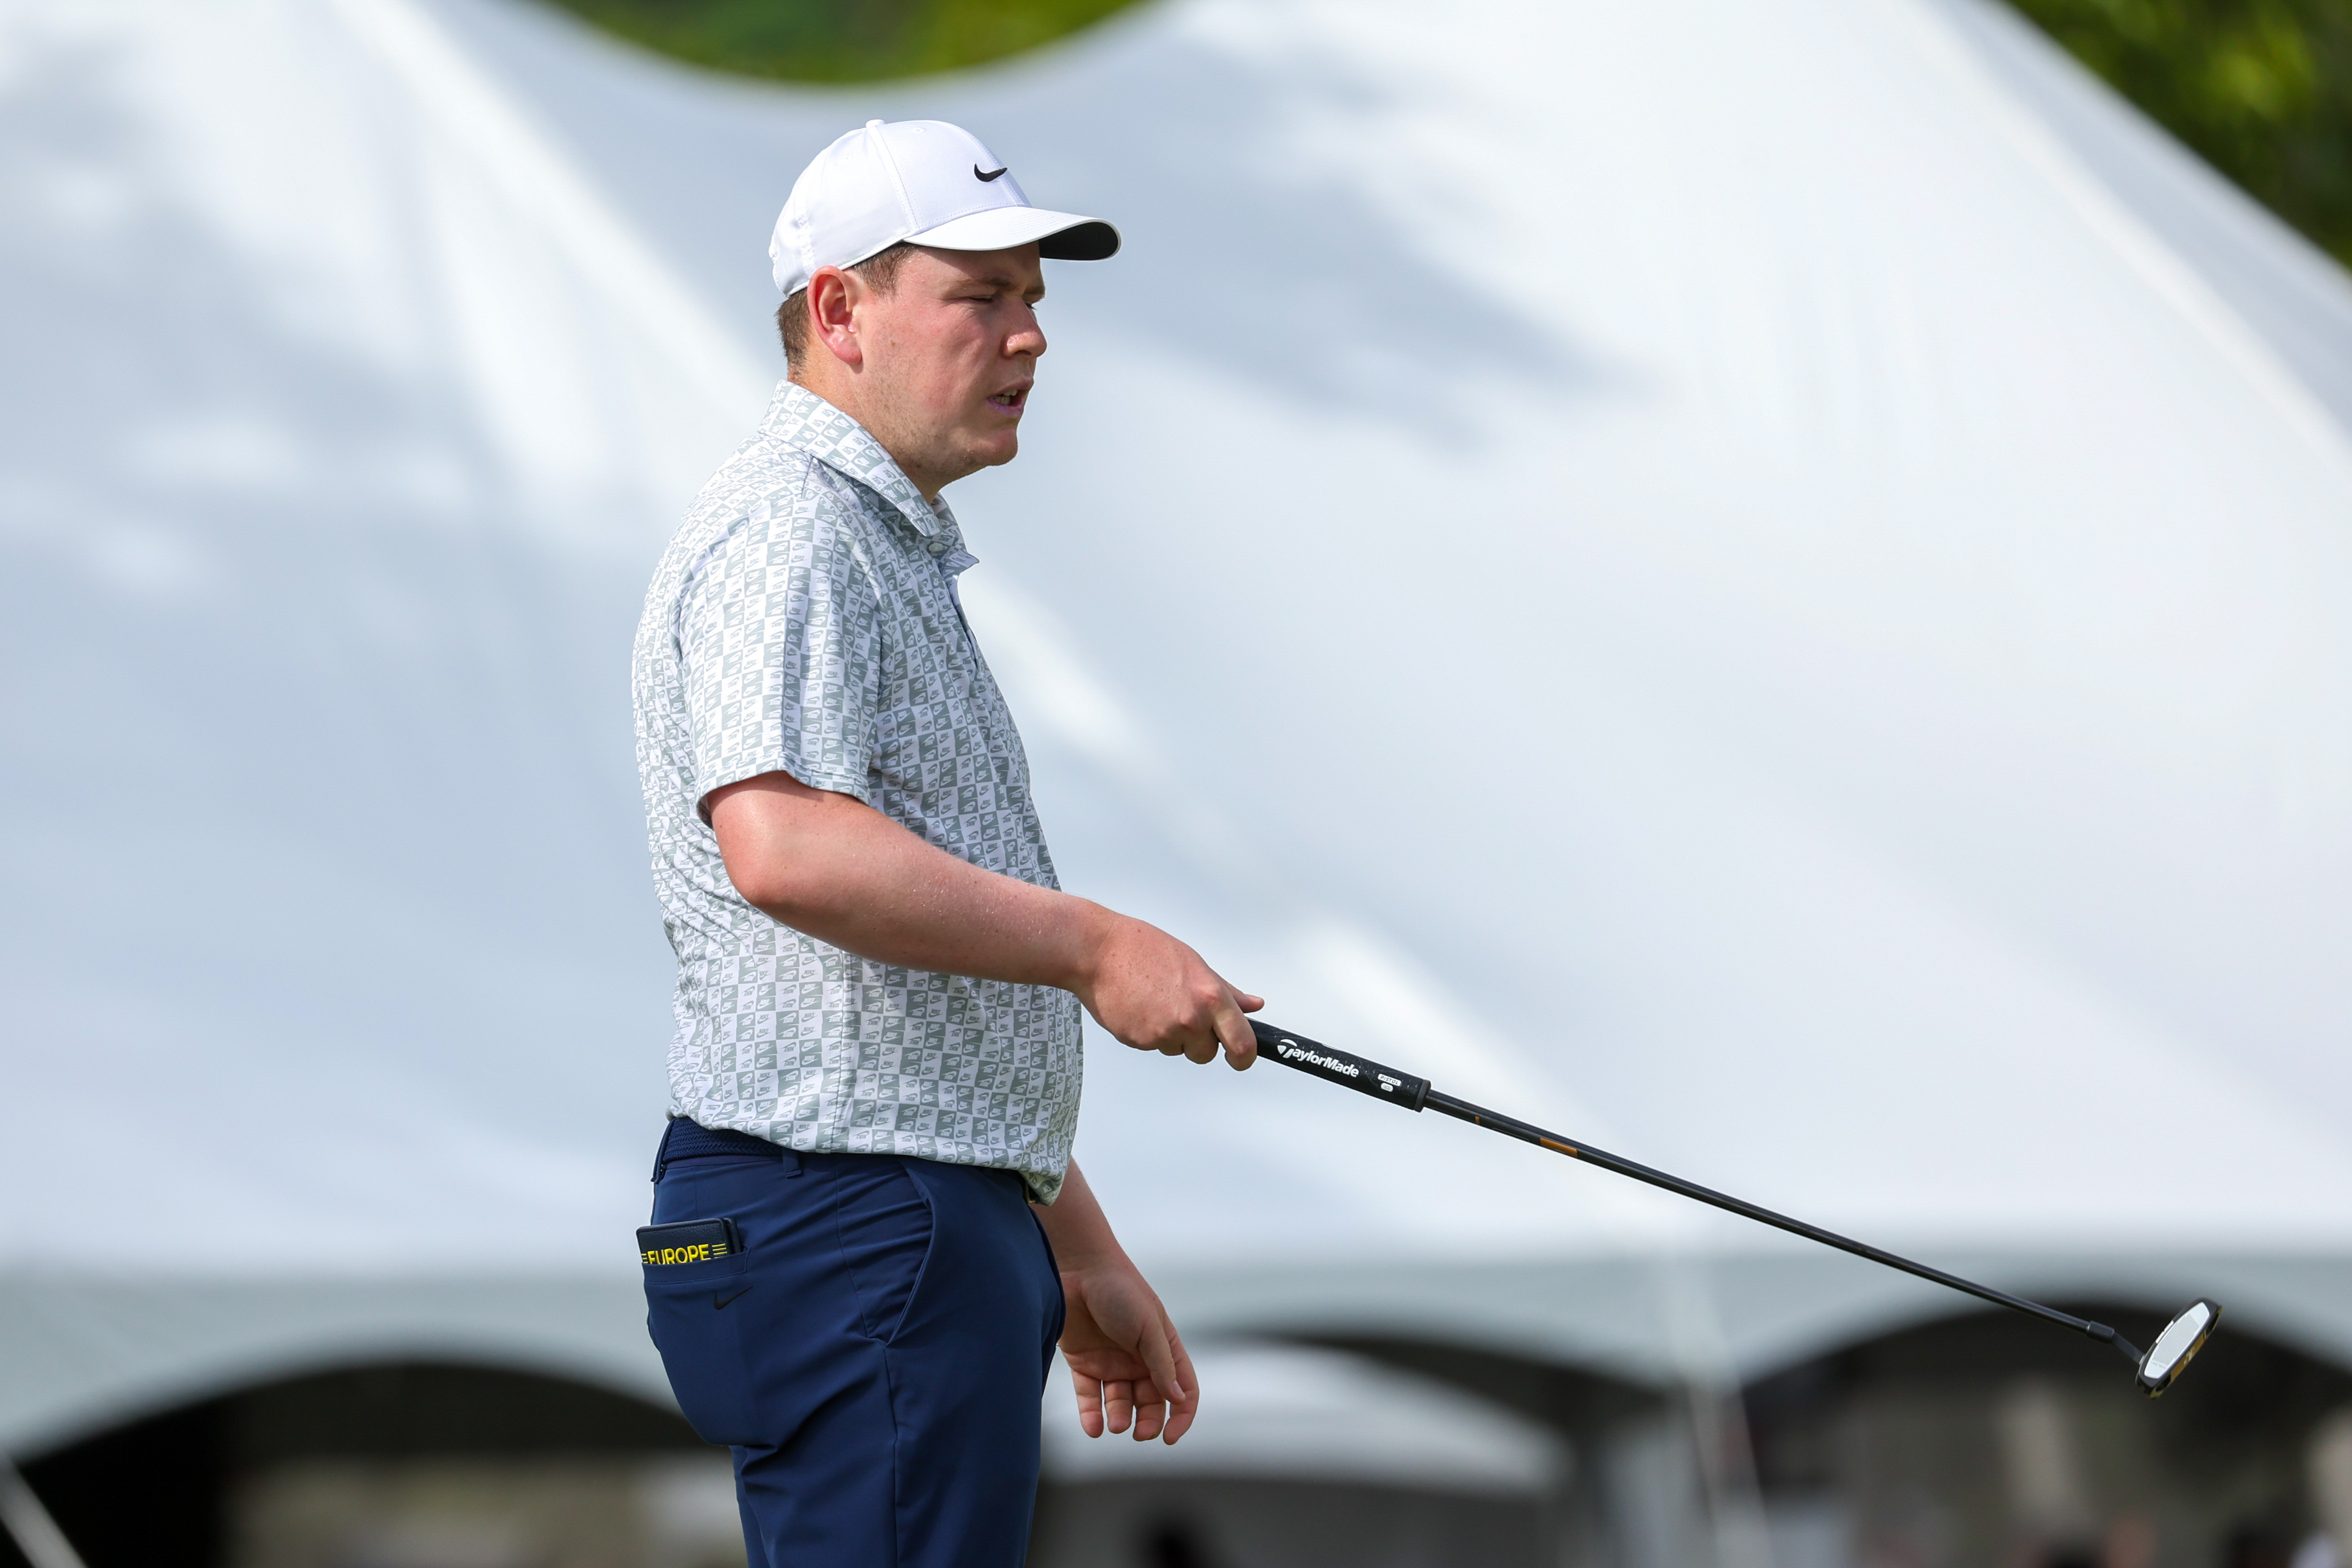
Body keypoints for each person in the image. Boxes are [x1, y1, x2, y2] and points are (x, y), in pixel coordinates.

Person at [628, 119, 1262, 1568]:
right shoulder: (794, 529)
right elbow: (783, 846)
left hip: (893, 1205)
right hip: (858, 1214)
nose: (1030, 336)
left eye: (1032, 298)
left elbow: (894, 996)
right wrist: (1096, 946)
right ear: (840, 310)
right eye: (980, 297)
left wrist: (1070, 1235)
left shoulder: (860, 534)